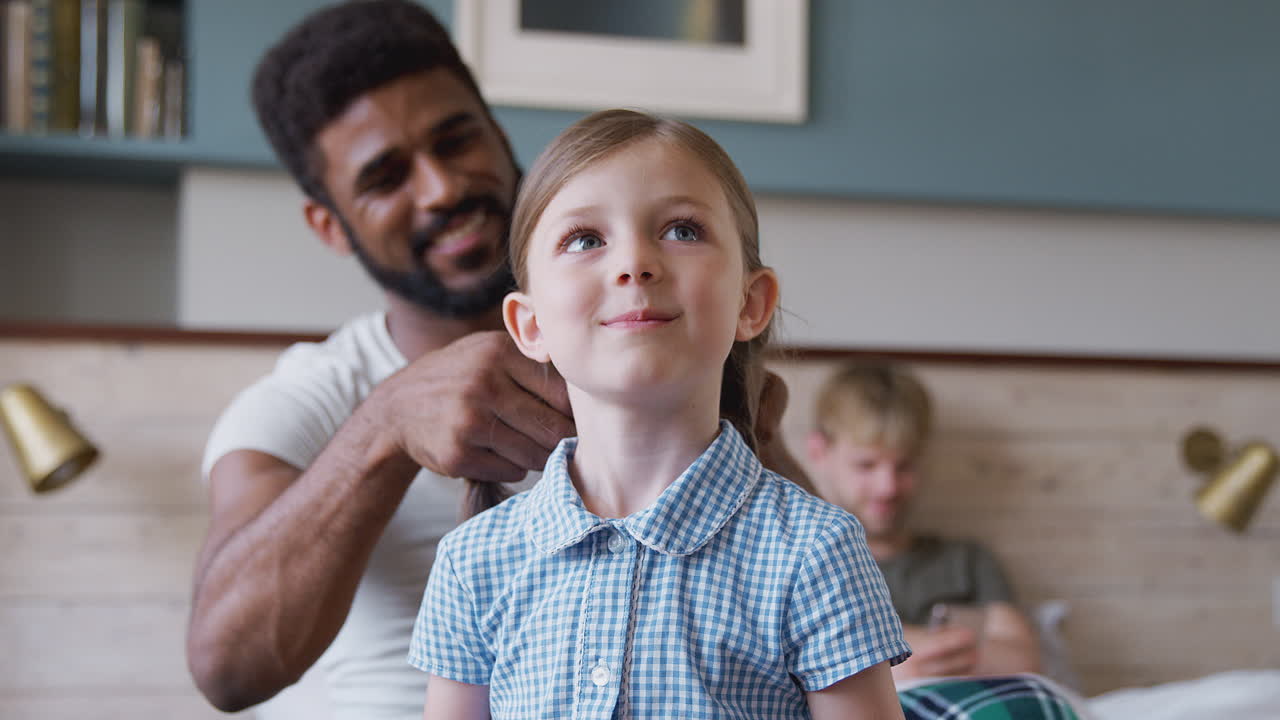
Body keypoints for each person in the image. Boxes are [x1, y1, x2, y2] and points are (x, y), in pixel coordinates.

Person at [184, 3, 802, 718]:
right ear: (329, 224)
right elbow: (224, 669)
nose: (443, 189)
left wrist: (742, 428)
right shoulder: (303, 401)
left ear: (498, 134)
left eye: (456, 141)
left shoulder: (666, 348)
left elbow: (811, 607)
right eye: (386, 178)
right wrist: (383, 427)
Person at [409, 109, 911, 719]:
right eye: (585, 240)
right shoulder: (473, 562)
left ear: (751, 304)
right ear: (530, 325)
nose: (634, 264)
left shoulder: (815, 551)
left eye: (682, 230)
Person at [804, 361, 1042, 684]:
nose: (888, 487)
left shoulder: (966, 562)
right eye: (866, 465)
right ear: (819, 451)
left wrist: (896, 653)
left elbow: (1024, 660)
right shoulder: (805, 564)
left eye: (904, 466)